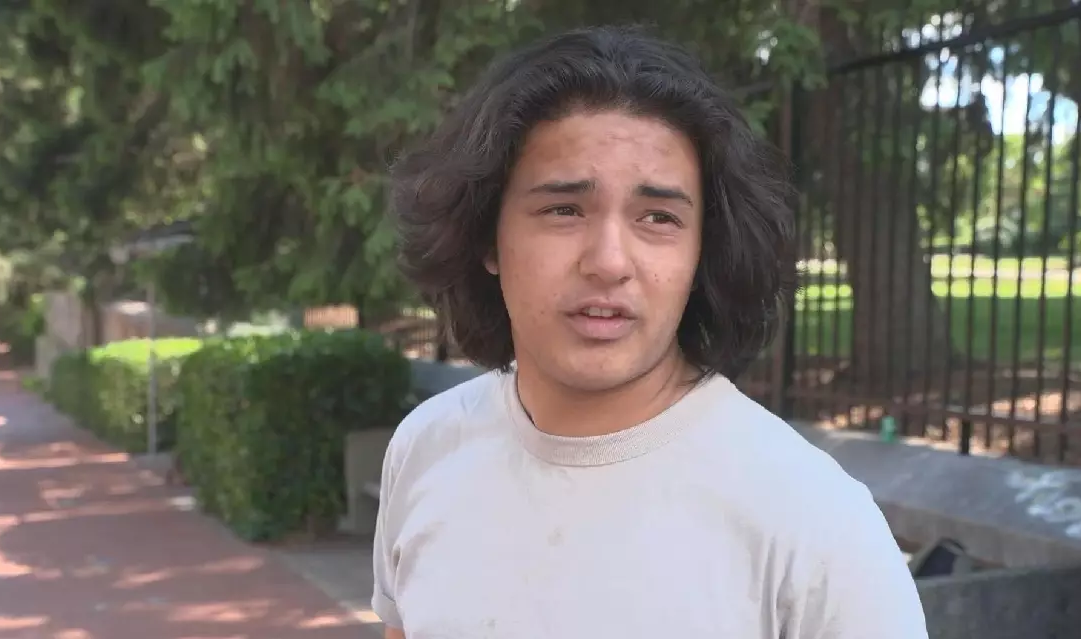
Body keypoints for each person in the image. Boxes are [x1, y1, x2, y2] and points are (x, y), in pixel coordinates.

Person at [374, 25, 928, 639]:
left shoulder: (818, 525)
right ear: (487, 237)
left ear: (702, 252)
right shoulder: (426, 448)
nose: (609, 261)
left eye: (658, 217)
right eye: (564, 209)